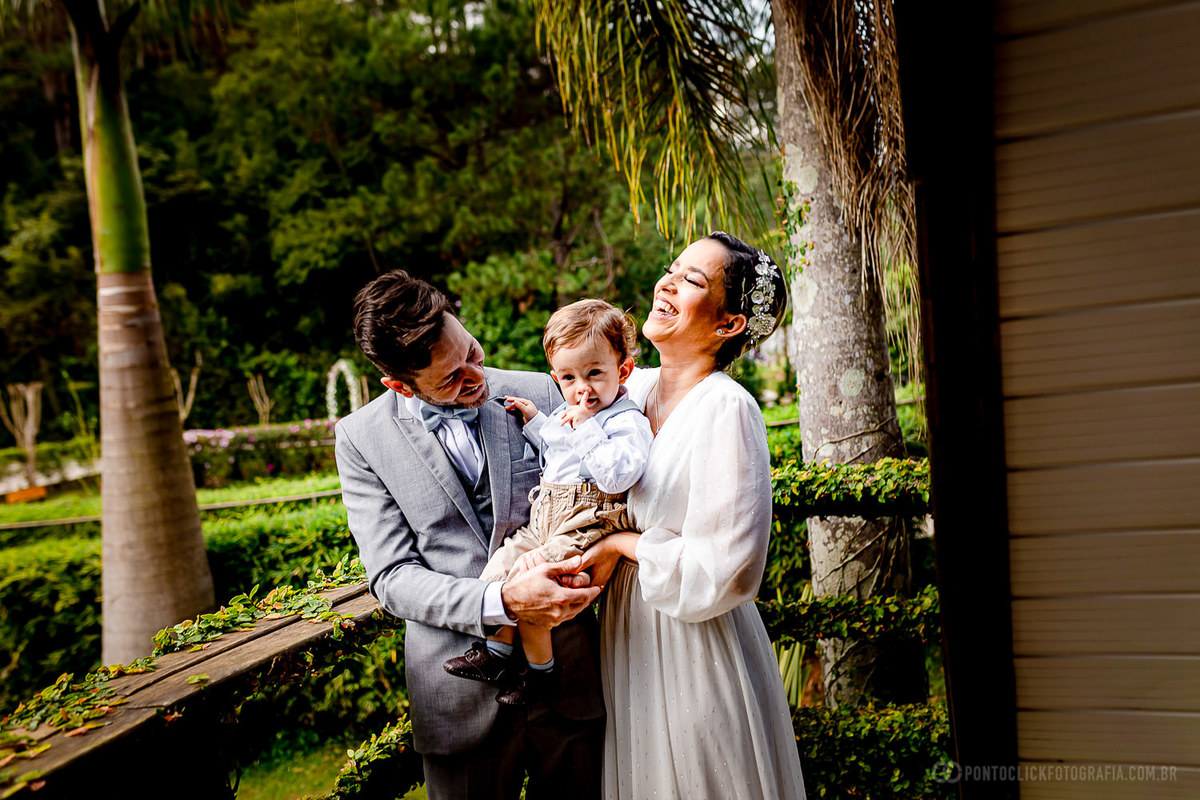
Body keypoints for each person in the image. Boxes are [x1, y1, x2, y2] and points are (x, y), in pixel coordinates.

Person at [334, 270, 605, 800]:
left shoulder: (544, 390)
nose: (476, 376)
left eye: (473, 354)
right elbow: (392, 578)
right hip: (456, 695)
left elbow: (600, 499)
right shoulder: (361, 440)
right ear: (398, 384)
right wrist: (501, 599)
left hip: (568, 679)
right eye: (452, 378)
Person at [577, 232, 808, 799]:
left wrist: (618, 547)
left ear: (729, 324)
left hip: (693, 644)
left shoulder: (727, 409)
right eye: (671, 269)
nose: (666, 284)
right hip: (627, 635)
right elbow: (553, 380)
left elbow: (729, 569)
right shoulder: (632, 389)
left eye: (693, 281)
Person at [443, 299, 653, 705]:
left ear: (622, 370)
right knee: (499, 570)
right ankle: (497, 653)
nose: (582, 389)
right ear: (556, 377)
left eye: (594, 373)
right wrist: (538, 421)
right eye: (569, 378)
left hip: (586, 521)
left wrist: (589, 428)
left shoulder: (626, 421)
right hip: (545, 516)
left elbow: (619, 476)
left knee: (534, 585)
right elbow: (557, 453)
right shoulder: (569, 413)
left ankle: (540, 674)